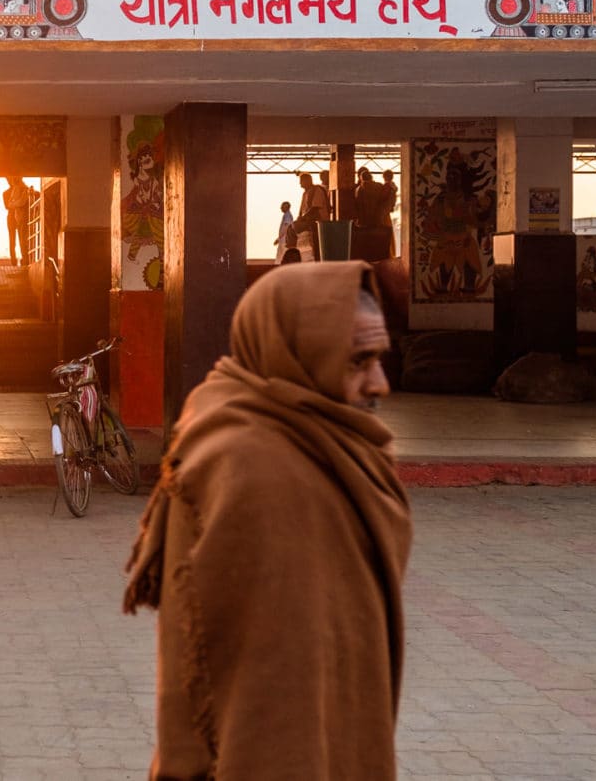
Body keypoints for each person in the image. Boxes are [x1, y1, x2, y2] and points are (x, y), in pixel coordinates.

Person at [123, 262, 412, 780]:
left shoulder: (316, 441)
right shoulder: (256, 466)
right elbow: (270, 697)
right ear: (296, 351)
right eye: (358, 361)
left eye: (380, 359)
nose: (380, 384)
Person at [3, 178, 31, 264]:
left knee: (20, 239)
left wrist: (13, 203)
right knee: (14, 240)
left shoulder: (19, 189)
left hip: (17, 216)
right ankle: (14, 260)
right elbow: (7, 205)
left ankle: (20, 259)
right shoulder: (7, 192)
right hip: (13, 217)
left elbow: (9, 204)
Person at [275, 200, 297, 264]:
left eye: (282, 206)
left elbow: (286, 227)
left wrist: (279, 238)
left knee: (282, 254)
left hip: (284, 238)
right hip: (283, 238)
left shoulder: (287, 215)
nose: (281, 208)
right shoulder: (286, 215)